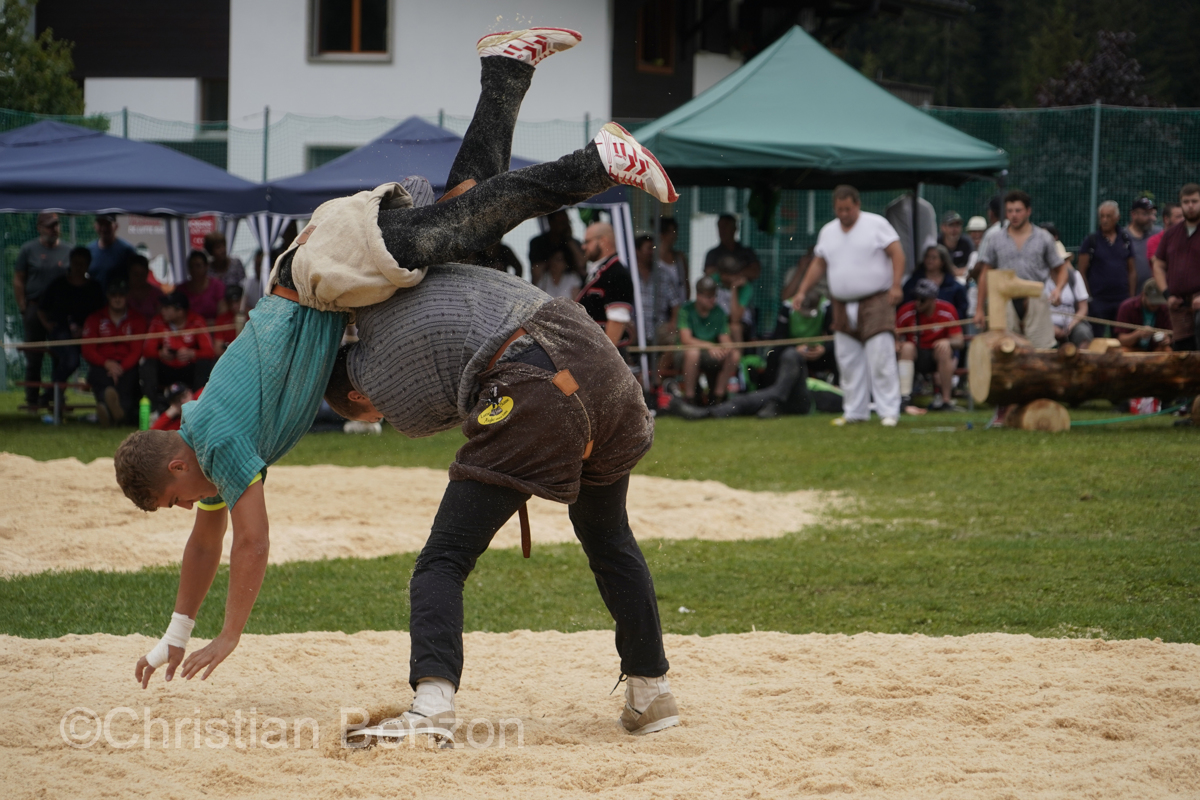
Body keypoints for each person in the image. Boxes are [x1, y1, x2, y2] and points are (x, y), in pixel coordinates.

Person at [113, 29, 680, 739]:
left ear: (176, 464)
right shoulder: (212, 424)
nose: (372, 416)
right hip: (591, 361)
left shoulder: (229, 433)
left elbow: (248, 542)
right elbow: (206, 541)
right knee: (471, 206)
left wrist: (226, 635)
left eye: (175, 499)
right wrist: (174, 631)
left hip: (331, 268)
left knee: (441, 560)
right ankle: (505, 69)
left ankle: (598, 162)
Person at [793, 184, 905, 427]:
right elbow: (818, 264)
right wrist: (802, 291)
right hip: (841, 303)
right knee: (848, 359)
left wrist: (896, 285)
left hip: (876, 300)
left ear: (857, 204)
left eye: (848, 209)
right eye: (839, 209)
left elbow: (897, 253)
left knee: (880, 356)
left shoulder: (876, 224)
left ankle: (889, 411)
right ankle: (855, 411)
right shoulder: (828, 231)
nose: (843, 214)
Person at [973, 190, 1066, 350]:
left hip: (1035, 298)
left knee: (1041, 350)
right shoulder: (995, 239)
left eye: (1018, 210)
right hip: (1005, 300)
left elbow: (1061, 268)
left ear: (1028, 211)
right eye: (1010, 211)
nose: (1014, 215)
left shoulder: (1043, 237)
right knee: (1006, 349)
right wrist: (979, 309)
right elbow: (985, 274)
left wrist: (1058, 289)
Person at [14, 212, 72, 409]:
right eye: (49, 226)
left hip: (59, 311)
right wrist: (22, 305)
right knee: (34, 355)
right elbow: (19, 278)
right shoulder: (28, 249)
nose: (53, 229)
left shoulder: (68, 250)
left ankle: (56, 396)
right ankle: (32, 399)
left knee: (61, 354)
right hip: (34, 307)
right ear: (39, 228)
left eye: (56, 225)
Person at [37, 246, 106, 397]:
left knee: (101, 359)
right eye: (76, 263)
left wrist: (87, 330)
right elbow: (41, 309)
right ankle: (52, 393)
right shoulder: (58, 284)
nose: (79, 267)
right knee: (71, 360)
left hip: (89, 334)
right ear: (70, 263)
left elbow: (102, 314)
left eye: (83, 264)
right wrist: (47, 325)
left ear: (88, 265)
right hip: (61, 333)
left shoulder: (94, 288)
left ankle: (103, 397)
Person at [81, 281, 147, 426]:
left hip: (127, 366)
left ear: (127, 296)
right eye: (113, 295)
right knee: (99, 379)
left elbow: (137, 351)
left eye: (121, 295)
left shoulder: (138, 319)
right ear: (108, 296)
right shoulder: (95, 318)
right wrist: (106, 364)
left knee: (130, 382)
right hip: (102, 364)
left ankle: (109, 413)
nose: (117, 299)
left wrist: (120, 368)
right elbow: (88, 349)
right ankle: (114, 412)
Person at [896, 278, 964, 412]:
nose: (918, 302)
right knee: (907, 347)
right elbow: (895, 336)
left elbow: (959, 341)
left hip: (936, 355)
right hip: (915, 354)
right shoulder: (906, 311)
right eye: (916, 298)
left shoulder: (947, 310)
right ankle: (904, 398)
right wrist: (897, 344)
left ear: (933, 299)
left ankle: (946, 401)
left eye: (922, 299)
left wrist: (947, 341)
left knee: (944, 349)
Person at [140, 292, 216, 405]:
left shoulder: (197, 321)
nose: (162, 311)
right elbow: (146, 351)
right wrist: (160, 353)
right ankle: (153, 409)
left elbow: (210, 352)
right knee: (147, 364)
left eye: (167, 308)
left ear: (180, 311)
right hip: (166, 368)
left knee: (205, 364)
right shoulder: (157, 321)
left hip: (188, 368)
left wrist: (192, 353)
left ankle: (198, 405)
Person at [1151, 182, 1200, 352]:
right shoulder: (1171, 234)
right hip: (1179, 307)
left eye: (1194, 201)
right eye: (1186, 202)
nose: (1190, 206)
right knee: (1183, 355)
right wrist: (1167, 294)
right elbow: (1158, 265)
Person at [677, 276, 739, 405]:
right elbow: (685, 339)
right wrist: (709, 345)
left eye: (714, 296)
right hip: (685, 354)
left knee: (734, 354)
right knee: (693, 352)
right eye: (708, 296)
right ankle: (690, 399)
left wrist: (727, 347)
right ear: (698, 296)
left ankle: (718, 397)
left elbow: (725, 339)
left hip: (710, 355)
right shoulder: (686, 310)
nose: (713, 300)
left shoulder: (719, 312)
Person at [1077, 201, 1137, 330]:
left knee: (1122, 334)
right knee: (1097, 337)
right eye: (1102, 216)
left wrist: (1131, 298)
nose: (1104, 220)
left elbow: (1132, 270)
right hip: (1098, 300)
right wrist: (1088, 298)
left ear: (1117, 218)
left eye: (1108, 216)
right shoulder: (1091, 241)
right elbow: (1081, 271)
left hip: (1122, 299)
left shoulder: (1125, 239)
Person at [703, 214, 760, 342]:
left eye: (725, 227)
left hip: (738, 317)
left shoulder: (745, 286)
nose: (722, 231)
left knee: (734, 327)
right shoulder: (713, 256)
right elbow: (708, 273)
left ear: (735, 229)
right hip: (717, 317)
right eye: (720, 227)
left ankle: (736, 355)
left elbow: (755, 272)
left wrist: (734, 286)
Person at [578, 221, 636, 347]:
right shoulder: (600, 271)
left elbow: (617, 320)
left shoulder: (617, 273)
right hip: (592, 349)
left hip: (604, 352)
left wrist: (604, 355)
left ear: (603, 241)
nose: (583, 247)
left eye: (587, 241)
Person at [903, 244, 968, 321]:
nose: (930, 260)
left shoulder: (954, 286)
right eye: (927, 257)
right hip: (919, 324)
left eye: (934, 258)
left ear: (942, 262)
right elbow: (905, 305)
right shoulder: (913, 282)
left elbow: (962, 308)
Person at [528, 209, 585, 283]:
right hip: (546, 284)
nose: (565, 226)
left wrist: (569, 240)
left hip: (571, 286)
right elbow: (536, 271)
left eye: (567, 223)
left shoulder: (573, 243)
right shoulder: (538, 243)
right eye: (561, 223)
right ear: (551, 223)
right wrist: (552, 262)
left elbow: (582, 264)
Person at [1115, 281, 1172, 352]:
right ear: (1144, 294)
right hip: (1132, 348)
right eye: (1153, 301)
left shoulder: (1164, 309)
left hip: (1154, 350)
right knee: (1122, 351)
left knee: (1167, 350)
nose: (1156, 305)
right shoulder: (1127, 307)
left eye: (1158, 302)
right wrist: (1137, 334)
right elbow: (1121, 340)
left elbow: (1170, 334)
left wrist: (1166, 339)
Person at [87, 214, 138, 291]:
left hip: (118, 297)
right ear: (95, 226)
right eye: (101, 224)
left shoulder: (126, 251)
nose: (104, 228)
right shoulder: (90, 250)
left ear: (116, 226)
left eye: (107, 224)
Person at [1048, 263, 1093, 348]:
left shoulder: (1074, 275)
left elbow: (1083, 308)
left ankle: (1083, 356)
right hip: (1046, 324)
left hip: (1071, 323)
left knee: (1083, 333)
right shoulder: (1039, 276)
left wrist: (1071, 325)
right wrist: (1049, 327)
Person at [180, 250, 226, 323]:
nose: (194, 270)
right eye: (191, 266)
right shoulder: (181, 290)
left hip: (214, 328)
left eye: (198, 266)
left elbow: (223, 316)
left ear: (206, 266)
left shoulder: (217, 286)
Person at [202, 231, 246, 296]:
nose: (223, 250)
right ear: (210, 251)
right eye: (218, 247)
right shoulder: (207, 269)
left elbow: (244, 286)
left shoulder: (236, 264)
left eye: (224, 246)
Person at [657, 216, 689, 302]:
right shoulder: (653, 258)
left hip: (679, 304)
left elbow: (686, 283)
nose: (674, 235)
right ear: (662, 234)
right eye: (671, 232)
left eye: (675, 232)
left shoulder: (680, 257)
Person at [1145, 203, 1183, 276]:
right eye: (1178, 217)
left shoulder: (1189, 238)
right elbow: (1157, 264)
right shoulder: (1154, 240)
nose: (1183, 220)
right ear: (1166, 219)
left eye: (1184, 216)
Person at [1128, 197, 1157, 291]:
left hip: (1154, 293)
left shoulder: (1157, 234)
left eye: (1151, 213)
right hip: (1130, 293)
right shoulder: (1123, 237)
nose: (1150, 218)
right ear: (1134, 214)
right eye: (1145, 214)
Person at [125, 254, 164, 320]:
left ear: (147, 273)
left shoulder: (157, 294)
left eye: (142, 274)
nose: (139, 278)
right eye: (136, 274)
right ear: (129, 273)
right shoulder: (121, 293)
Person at [213, 284, 244, 357]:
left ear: (243, 299)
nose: (234, 306)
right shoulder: (222, 319)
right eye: (230, 302)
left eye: (237, 301)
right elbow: (218, 349)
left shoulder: (252, 316)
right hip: (230, 358)